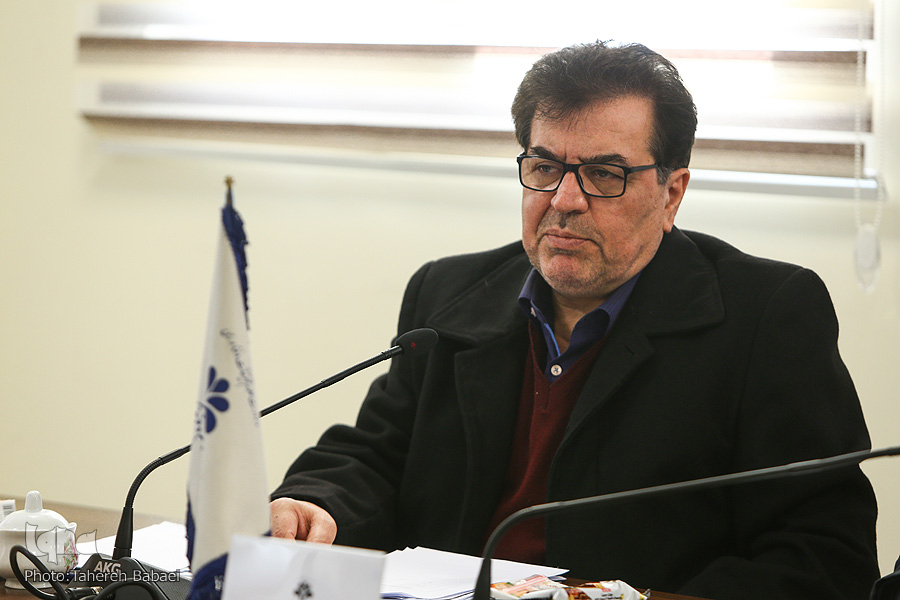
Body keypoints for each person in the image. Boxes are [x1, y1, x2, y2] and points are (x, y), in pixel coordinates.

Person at [269, 41, 879, 599]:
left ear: (672, 193)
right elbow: (374, 456)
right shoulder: (448, 294)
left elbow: (825, 557)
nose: (564, 200)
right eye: (544, 167)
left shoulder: (765, 316)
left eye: (604, 174)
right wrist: (317, 504)